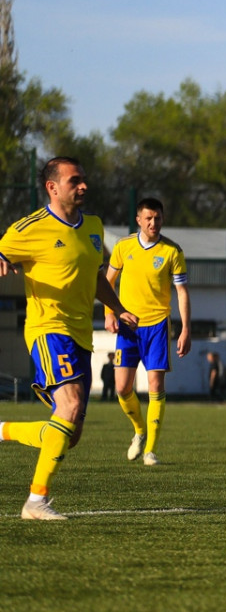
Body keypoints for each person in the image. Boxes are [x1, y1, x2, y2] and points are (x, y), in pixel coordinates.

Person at [0, 156, 138, 520]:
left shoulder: (93, 227)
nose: (83, 186)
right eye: (75, 180)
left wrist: (117, 307)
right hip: (48, 330)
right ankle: (35, 501)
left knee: (69, 432)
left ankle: (3, 430)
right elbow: (3, 249)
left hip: (81, 336)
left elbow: (94, 277)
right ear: (52, 187)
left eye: (84, 180)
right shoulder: (30, 227)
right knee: (71, 405)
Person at [104, 197, 191, 467]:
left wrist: (186, 327)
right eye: (148, 218)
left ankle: (151, 449)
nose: (154, 223)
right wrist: (110, 313)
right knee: (121, 388)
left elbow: (181, 292)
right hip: (128, 327)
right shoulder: (123, 246)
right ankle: (139, 430)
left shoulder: (172, 251)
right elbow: (108, 282)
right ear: (139, 220)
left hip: (157, 326)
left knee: (155, 385)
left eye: (158, 218)